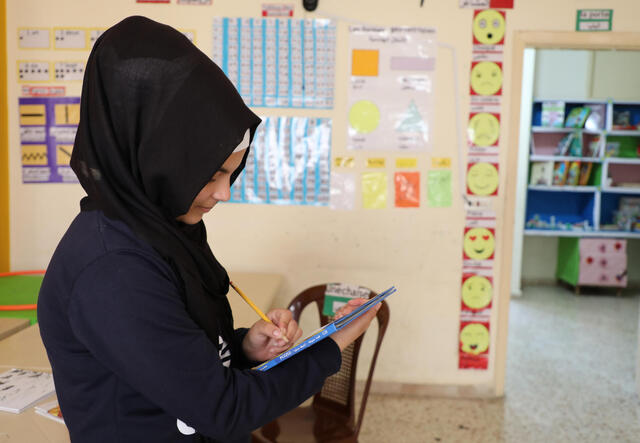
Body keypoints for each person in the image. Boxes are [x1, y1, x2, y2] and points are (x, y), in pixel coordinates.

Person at [37, 16, 380, 443]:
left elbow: (178, 355)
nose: (223, 193)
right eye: (212, 172)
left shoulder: (161, 228)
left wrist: (244, 348)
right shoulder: (114, 271)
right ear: (156, 155)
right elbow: (225, 408)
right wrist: (333, 345)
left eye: (231, 172)